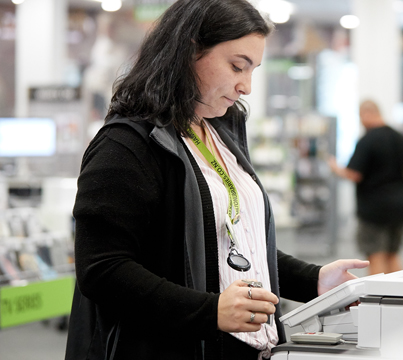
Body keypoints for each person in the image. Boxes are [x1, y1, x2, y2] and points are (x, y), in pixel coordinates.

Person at [64, 1, 368, 359]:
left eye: (253, 69)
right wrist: (210, 311)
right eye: (238, 66)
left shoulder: (221, 132)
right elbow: (102, 269)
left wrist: (313, 279)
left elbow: (235, 242)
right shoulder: (127, 144)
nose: (246, 86)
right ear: (189, 50)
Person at [328, 100, 403, 275]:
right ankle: (402, 297)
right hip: (399, 206)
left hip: (374, 210)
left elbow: (354, 174)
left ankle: (378, 299)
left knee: (375, 256)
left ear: (366, 114)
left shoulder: (367, 140)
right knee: (392, 254)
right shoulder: (400, 138)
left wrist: (336, 169)